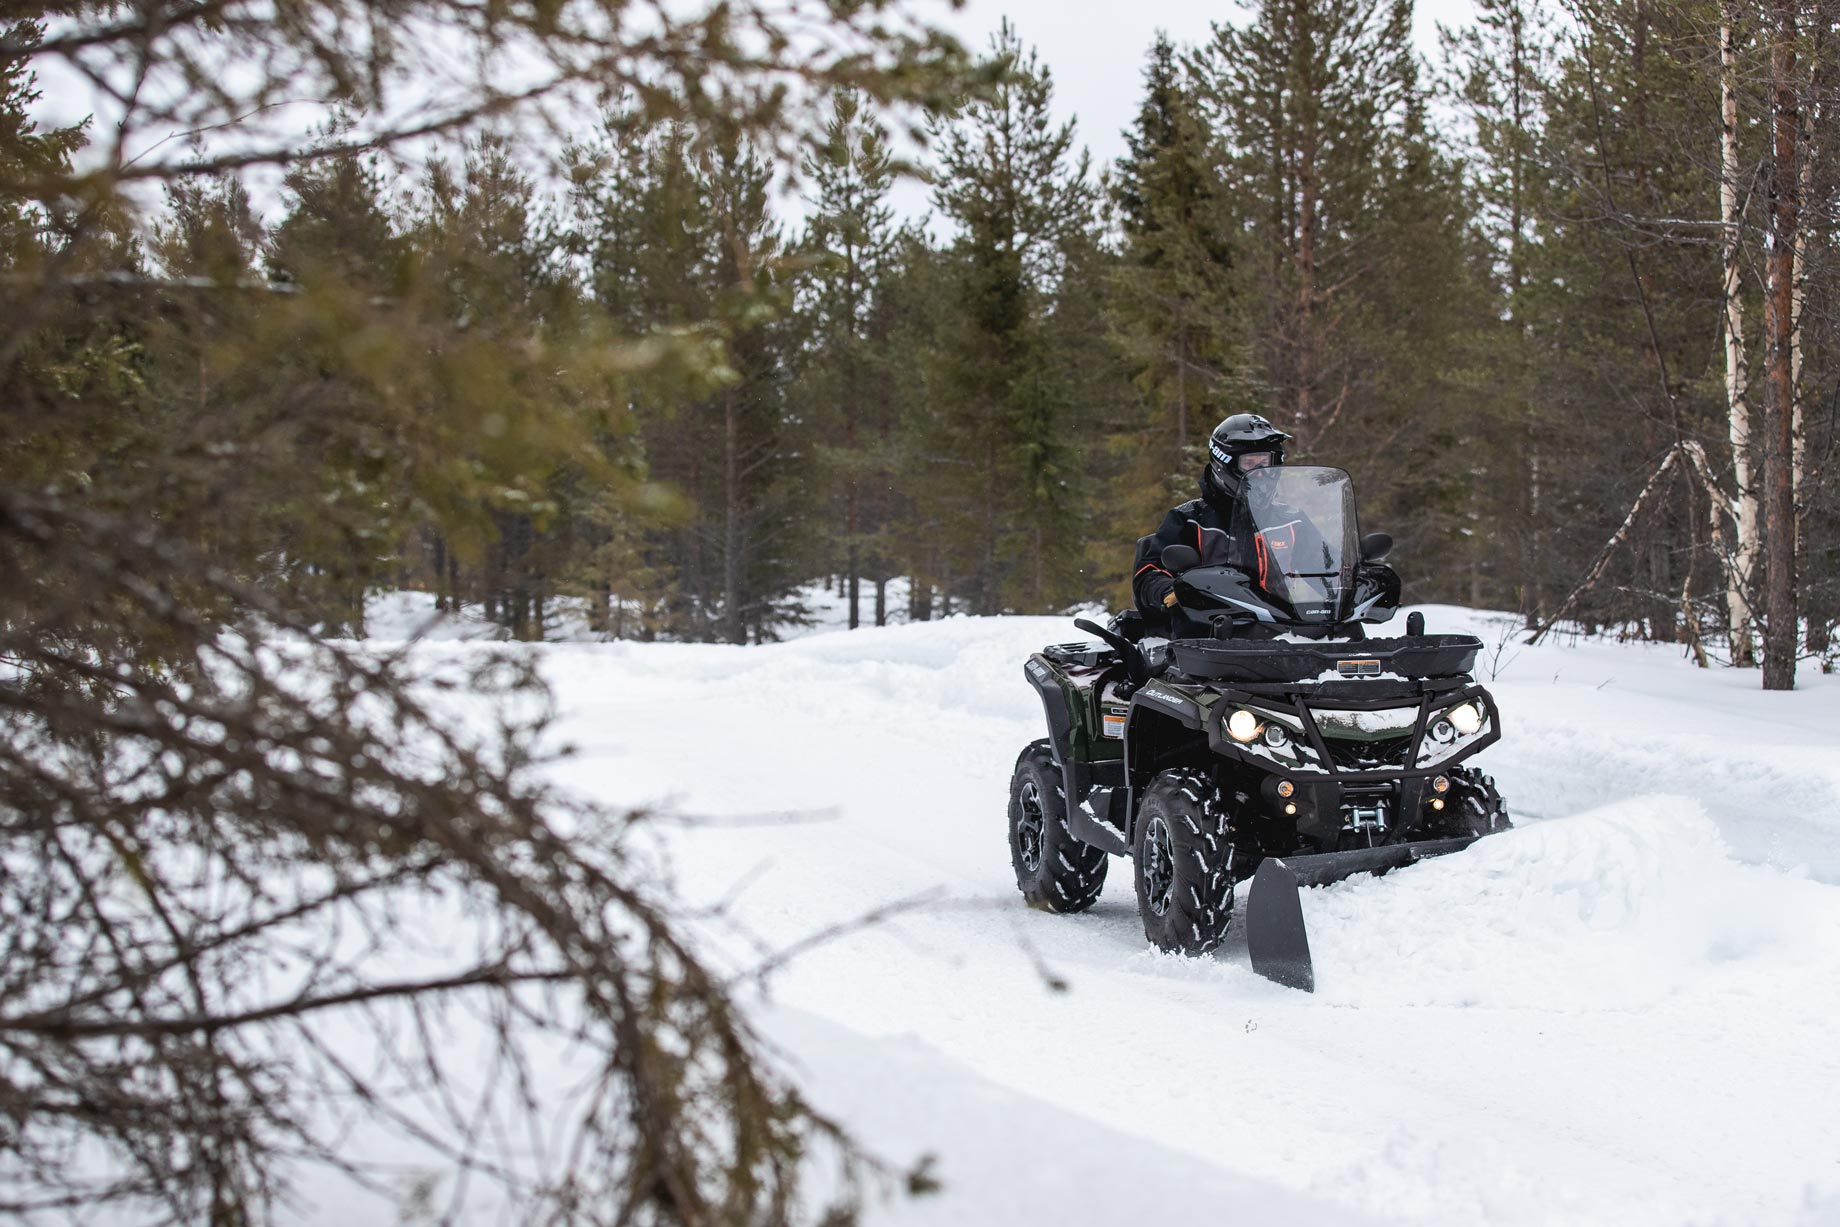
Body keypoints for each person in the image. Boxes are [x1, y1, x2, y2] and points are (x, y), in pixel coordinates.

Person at [1132, 413, 1293, 631]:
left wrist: (1352, 576)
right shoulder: (1189, 520)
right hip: (1211, 634)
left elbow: (1327, 563)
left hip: (1289, 630)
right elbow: (1149, 573)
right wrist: (1172, 590)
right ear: (1224, 463)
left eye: (1265, 462)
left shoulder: (1292, 521)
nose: (1260, 473)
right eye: (1250, 463)